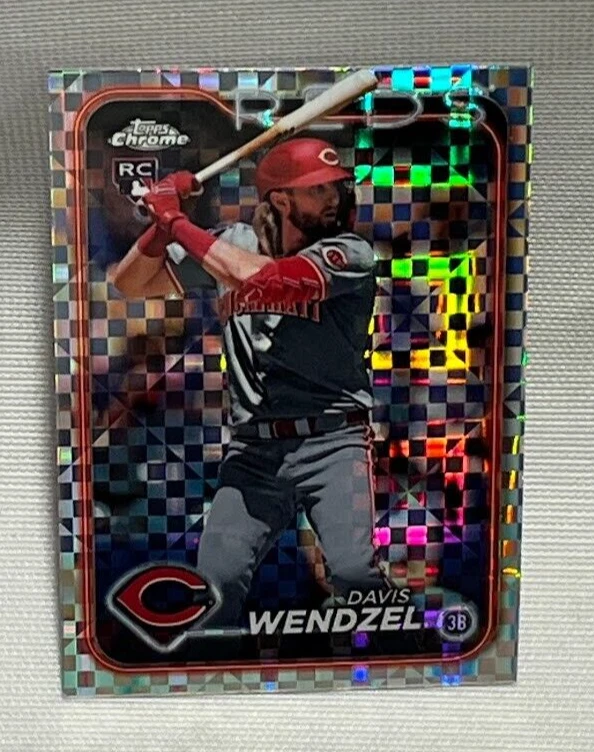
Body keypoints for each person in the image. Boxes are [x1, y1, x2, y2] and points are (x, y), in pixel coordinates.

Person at [110, 137, 388, 628]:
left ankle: (404, 658)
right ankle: (214, 670)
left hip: (332, 442)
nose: (334, 198)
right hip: (254, 450)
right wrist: (161, 222)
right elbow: (129, 283)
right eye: (317, 189)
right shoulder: (232, 244)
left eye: (336, 187)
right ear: (281, 199)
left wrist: (176, 219)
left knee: (354, 573)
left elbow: (266, 281)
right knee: (215, 584)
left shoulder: (350, 251)